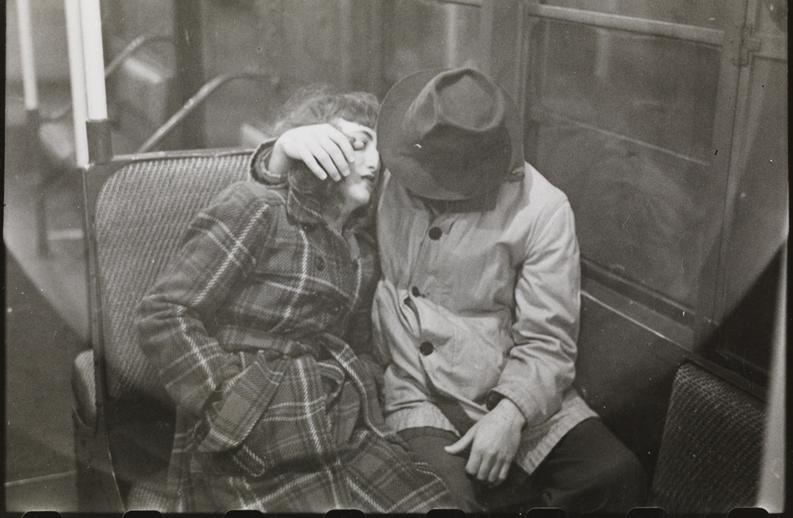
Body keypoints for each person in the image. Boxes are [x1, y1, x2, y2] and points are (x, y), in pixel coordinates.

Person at [251, 68, 648, 512]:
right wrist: (278, 154)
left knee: (615, 476)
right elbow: (294, 206)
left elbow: (548, 340)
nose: (422, 188)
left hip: (511, 384)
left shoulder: (543, 208)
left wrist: (511, 413)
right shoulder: (392, 166)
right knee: (442, 504)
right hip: (414, 391)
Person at [135, 88, 455, 513]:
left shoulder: (361, 250)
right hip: (248, 437)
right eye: (359, 144)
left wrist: (362, 387)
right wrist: (226, 399)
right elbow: (163, 313)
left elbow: (360, 343)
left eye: (378, 152)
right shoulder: (261, 209)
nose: (374, 163)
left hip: (336, 423)